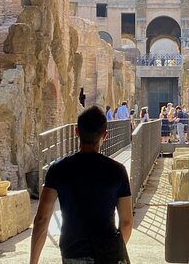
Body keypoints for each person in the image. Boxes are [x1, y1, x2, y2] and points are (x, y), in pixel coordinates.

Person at [30, 106, 133, 264]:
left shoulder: (58, 170)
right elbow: (126, 222)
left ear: (76, 132)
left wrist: (33, 262)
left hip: (73, 252)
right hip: (108, 253)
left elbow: (42, 219)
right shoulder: (118, 171)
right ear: (105, 135)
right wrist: (112, 251)